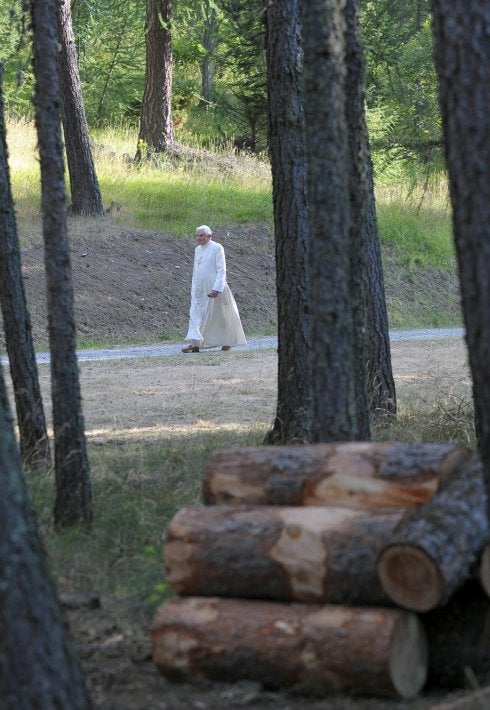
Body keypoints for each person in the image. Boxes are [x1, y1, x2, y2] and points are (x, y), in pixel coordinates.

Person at [182, 225, 247, 353]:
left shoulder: (217, 248)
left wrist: (217, 288)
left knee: (219, 316)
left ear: (209, 236)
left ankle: (227, 341)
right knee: (195, 314)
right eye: (197, 235)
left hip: (214, 288)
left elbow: (221, 270)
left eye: (201, 235)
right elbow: (196, 270)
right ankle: (194, 344)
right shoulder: (197, 250)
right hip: (199, 288)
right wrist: (194, 287)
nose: (198, 238)